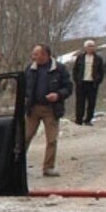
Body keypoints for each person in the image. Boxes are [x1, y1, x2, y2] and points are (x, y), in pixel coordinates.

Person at [23, 44, 72, 177]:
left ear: (45, 55)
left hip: (51, 109)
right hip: (33, 109)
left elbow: (68, 88)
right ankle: (18, 166)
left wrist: (58, 95)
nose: (34, 57)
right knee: (25, 137)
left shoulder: (60, 69)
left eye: (36, 54)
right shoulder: (30, 69)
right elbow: (24, 86)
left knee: (51, 140)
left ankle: (48, 167)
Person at [71, 40, 103, 125]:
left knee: (91, 102)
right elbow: (75, 70)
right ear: (85, 48)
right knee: (80, 102)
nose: (91, 48)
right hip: (81, 83)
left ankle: (88, 119)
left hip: (93, 84)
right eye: (89, 46)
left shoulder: (98, 58)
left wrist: (98, 80)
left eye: (92, 46)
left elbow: (101, 71)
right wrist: (76, 80)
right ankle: (78, 119)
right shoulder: (80, 58)